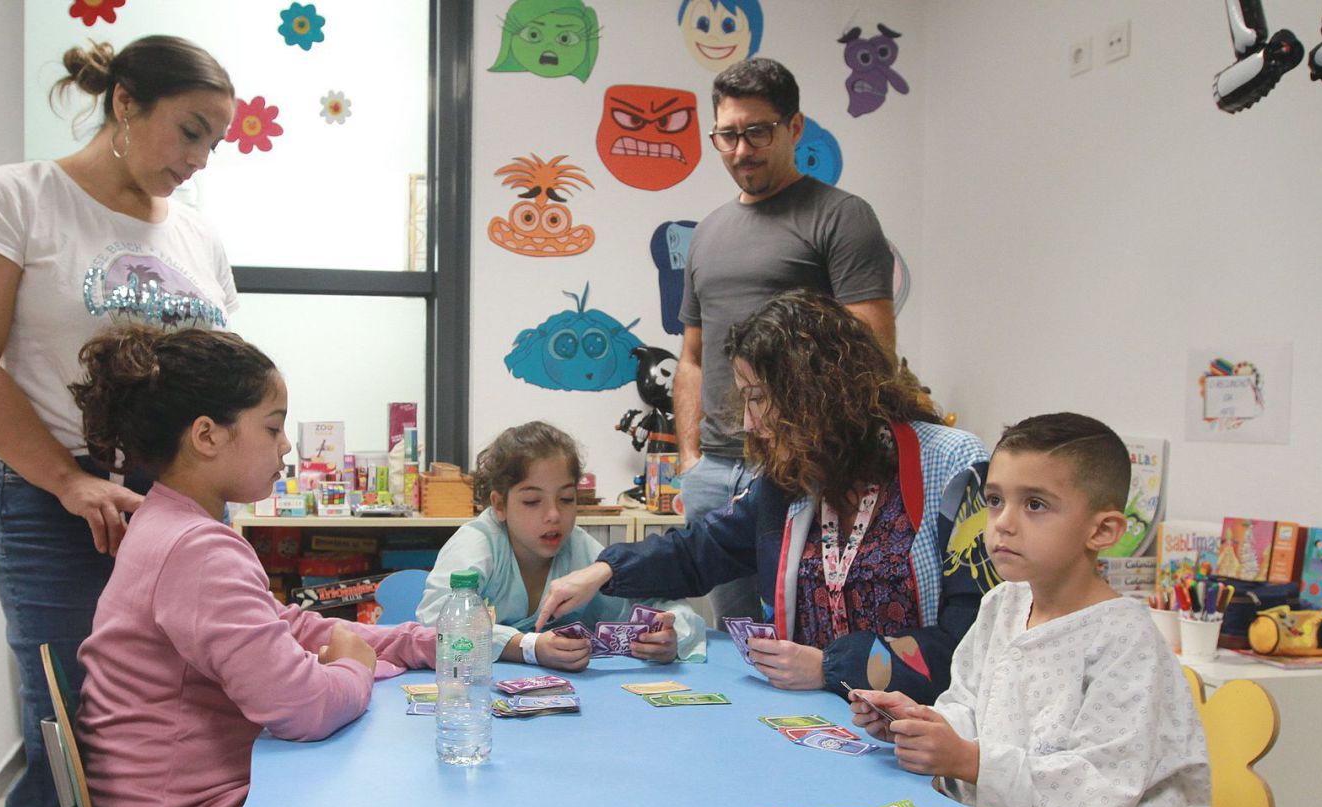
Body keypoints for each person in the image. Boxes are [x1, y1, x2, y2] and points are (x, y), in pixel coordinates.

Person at [0, 36, 239, 807]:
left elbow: (218, 380)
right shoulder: (17, 198)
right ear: (125, 103)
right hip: (57, 508)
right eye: (189, 131)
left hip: (177, 514)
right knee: (76, 750)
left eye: (215, 142)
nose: (199, 158)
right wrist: (68, 482)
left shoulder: (196, 236)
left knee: (164, 746)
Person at [71, 327, 436, 807]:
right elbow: (303, 707)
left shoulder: (170, 525)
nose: (286, 446)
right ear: (207, 435)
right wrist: (354, 667)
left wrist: (419, 643)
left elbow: (285, 626)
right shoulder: (197, 550)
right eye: (272, 427)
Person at [540, 290, 990, 703]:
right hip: (818, 717)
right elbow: (701, 550)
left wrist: (832, 667)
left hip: (923, 729)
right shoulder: (793, 476)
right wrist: (604, 571)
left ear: (818, 392)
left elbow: (973, 641)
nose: (749, 424)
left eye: (757, 398)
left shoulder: (953, 464)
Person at [848, 413, 1211, 807]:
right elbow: (969, 705)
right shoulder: (1003, 603)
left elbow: (1094, 798)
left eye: (1035, 504)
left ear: (1102, 530)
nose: (1003, 522)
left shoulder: (1125, 642)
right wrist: (923, 726)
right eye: (995, 500)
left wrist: (969, 761)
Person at [675, 57, 896, 624]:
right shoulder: (706, 233)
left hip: (800, 470)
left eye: (758, 132)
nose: (741, 150)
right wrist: (691, 459)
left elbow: (872, 356)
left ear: (795, 128)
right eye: (727, 135)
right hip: (716, 469)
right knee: (734, 636)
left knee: (803, 632)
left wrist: (828, 462)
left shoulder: (841, 217)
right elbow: (692, 358)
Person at [418, 421, 705, 668]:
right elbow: (437, 625)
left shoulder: (578, 547)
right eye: (532, 501)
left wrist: (670, 637)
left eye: (566, 499)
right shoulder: (477, 544)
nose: (554, 515)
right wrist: (527, 647)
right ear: (500, 505)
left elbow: (661, 605)